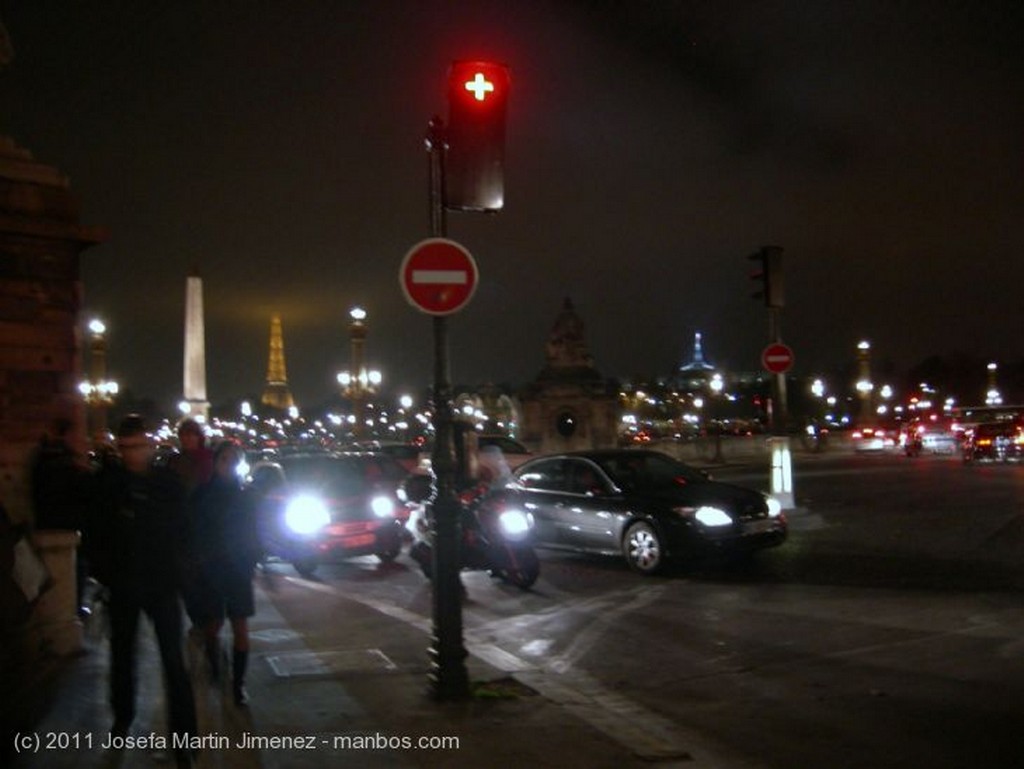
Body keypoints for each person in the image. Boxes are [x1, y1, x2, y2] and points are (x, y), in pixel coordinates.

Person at [87, 415, 197, 768]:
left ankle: (184, 740)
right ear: (120, 450)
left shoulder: (167, 484)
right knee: (123, 655)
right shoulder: (108, 486)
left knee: (173, 663)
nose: (133, 453)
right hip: (125, 584)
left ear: (149, 445)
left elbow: (185, 532)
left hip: (161, 583)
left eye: (138, 446)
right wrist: (106, 575)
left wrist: (181, 570)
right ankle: (123, 716)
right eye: (127, 448)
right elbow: (95, 538)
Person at [188, 441, 260, 706]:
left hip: (238, 569)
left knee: (240, 627)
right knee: (214, 624)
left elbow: (254, 531)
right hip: (213, 568)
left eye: (233, 460)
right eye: (224, 460)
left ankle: (238, 684)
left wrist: (253, 561)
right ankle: (214, 665)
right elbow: (194, 531)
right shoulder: (202, 495)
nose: (228, 465)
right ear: (216, 463)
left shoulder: (246, 495)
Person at [29, 417, 89, 614]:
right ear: (70, 435)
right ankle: (74, 610)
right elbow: (80, 493)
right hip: (66, 525)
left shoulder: (40, 457)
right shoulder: (67, 461)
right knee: (74, 573)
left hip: (43, 524)